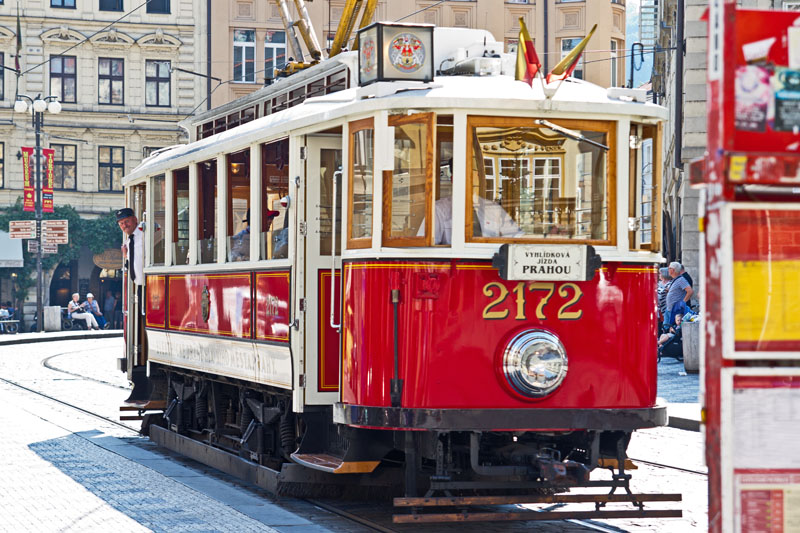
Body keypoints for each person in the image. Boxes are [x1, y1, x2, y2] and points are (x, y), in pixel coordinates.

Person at [426, 195, 523, 245]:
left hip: (491, 269)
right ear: (453, 178)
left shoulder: (493, 208)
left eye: (472, 174)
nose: (469, 179)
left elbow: (516, 238)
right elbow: (427, 248)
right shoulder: (438, 209)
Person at [117, 208, 144, 286]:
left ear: (135, 219)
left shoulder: (144, 233)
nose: (124, 225)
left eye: (127, 221)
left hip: (151, 282)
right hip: (139, 285)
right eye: (121, 224)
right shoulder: (129, 241)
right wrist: (126, 255)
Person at [664, 261, 693, 328]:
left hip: (675, 310)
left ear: (673, 270)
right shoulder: (676, 279)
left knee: (671, 329)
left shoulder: (681, 280)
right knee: (666, 328)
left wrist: (682, 303)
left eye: (669, 268)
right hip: (670, 309)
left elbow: (690, 291)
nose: (668, 270)